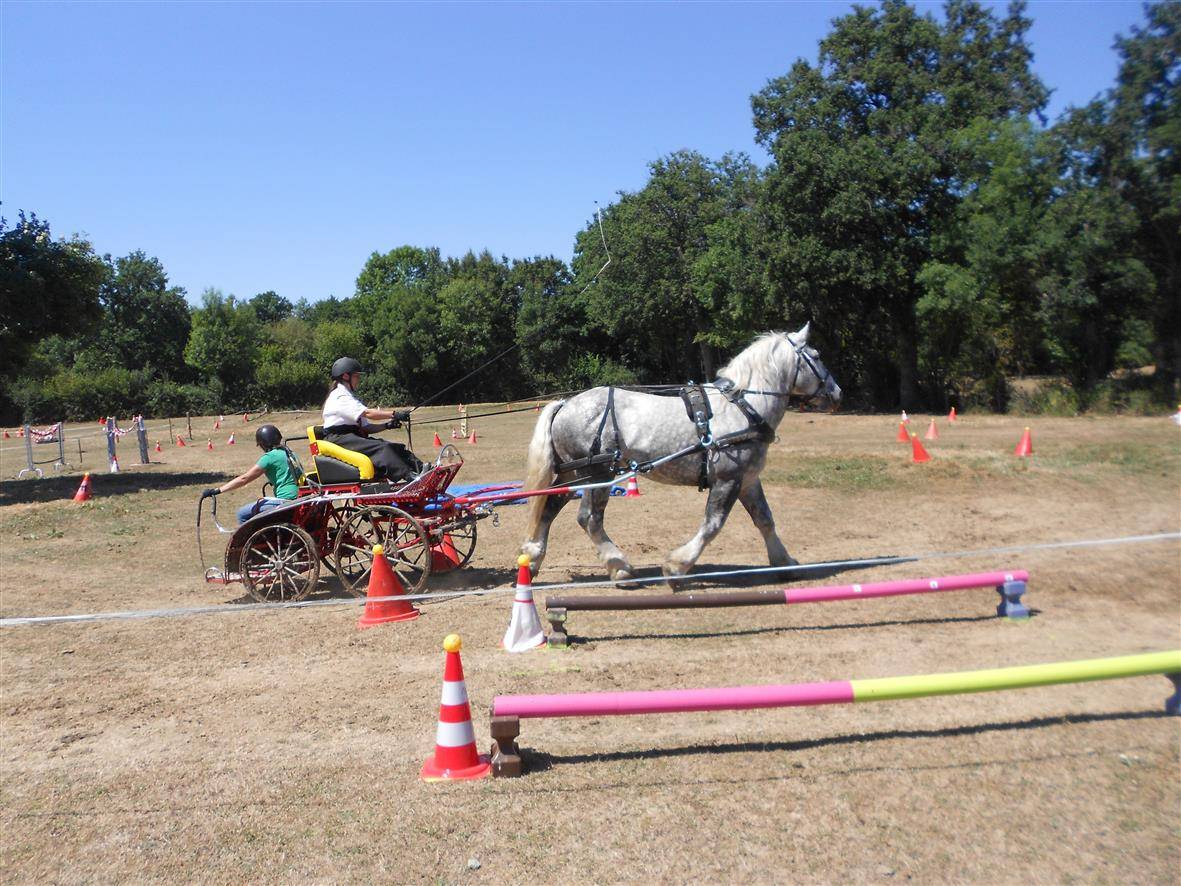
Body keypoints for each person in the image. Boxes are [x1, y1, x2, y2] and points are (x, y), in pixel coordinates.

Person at [321, 357, 422, 482]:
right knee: (381, 448)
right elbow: (368, 413)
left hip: (351, 436)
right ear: (346, 376)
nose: (359, 380)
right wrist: (394, 414)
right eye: (356, 376)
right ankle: (410, 477)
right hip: (338, 439)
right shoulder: (340, 396)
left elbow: (366, 428)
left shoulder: (348, 396)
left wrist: (387, 425)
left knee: (392, 446)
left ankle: (422, 469)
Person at [201, 424, 300, 524]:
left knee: (242, 514)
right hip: (299, 498)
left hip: (285, 500)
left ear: (263, 443)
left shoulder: (269, 457)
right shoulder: (290, 452)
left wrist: (218, 490)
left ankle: (251, 539)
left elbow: (244, 478)